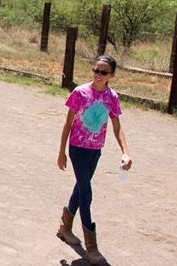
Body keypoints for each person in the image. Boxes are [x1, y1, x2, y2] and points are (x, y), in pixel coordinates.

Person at [55, 55, 132, 265]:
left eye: (104, 72)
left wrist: (125, 152)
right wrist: (61, 152)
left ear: (112, 76)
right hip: (78, 149)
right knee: (86, 194)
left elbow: (117, 127)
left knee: (80, 189)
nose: (98, 75)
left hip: (95, 151)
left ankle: (65, 228)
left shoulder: (112, 97)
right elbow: (67, 124)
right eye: (96, 70)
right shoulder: (80, 93)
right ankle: (91, 248)